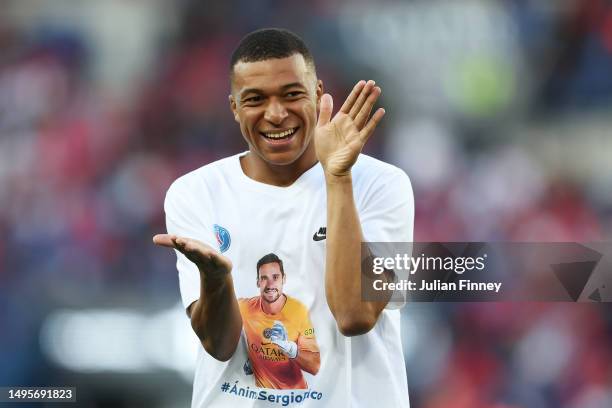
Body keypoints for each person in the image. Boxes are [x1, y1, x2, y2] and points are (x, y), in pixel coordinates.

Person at [154, 28, 414, 407]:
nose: (276, 114)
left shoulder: (383, 185)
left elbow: (354, 316)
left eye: (292, 95)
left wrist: (337, 177)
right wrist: (215, 279)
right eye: (255, 99)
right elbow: (220, 345)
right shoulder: (195, 193)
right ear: (234, 107)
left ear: (317, 92)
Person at [239, 253, 320, 389]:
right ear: (258, 282)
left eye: (275, 277)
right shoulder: (245, 308)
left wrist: (289, 348)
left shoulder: (299, 312)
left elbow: (314, 365)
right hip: (261, 399)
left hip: (294, 398)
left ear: (284, 279)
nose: (270, 284)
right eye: (264, 278)